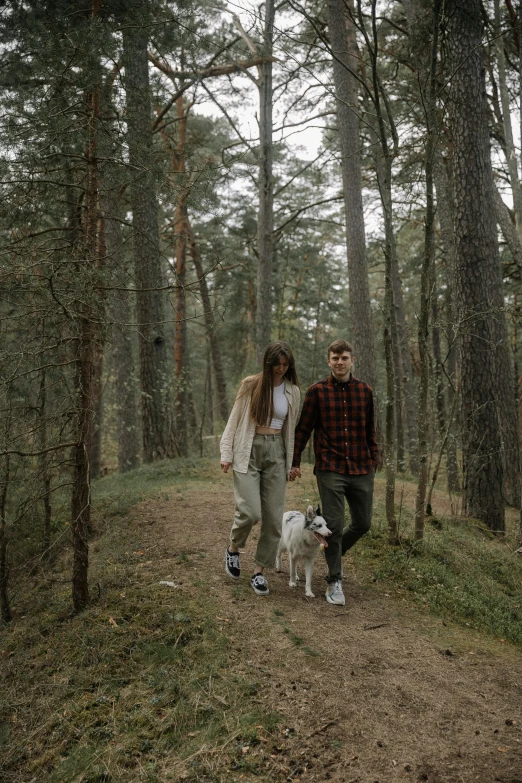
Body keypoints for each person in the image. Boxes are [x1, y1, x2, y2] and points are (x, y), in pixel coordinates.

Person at [289, 339, 378, 606]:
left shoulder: (365, 391)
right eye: (335, 358)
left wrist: (374, 459)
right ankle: (334, 581)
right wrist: (294, 461)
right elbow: (303, 429)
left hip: (362, 467)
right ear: (329, 361)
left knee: (363, 524)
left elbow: (370, 429)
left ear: (352, 360)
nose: (340, 362)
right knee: (335, 526)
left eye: (345, 358)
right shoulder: (316, 392)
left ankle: (332, 551)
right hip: (330, 467)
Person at [220, 341, 301, 596]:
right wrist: (226, 452)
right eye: (277, 364)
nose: (281, 369)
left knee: (274, 519)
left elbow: (291, 431)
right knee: (250, 511)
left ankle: (258, 572)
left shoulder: (293, 391)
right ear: (268, 363)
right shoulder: (251, 385)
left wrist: (292, 463)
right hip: (248, 449)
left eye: (285, 365)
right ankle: (233, 549)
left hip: (276, 452)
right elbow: (234, 420)